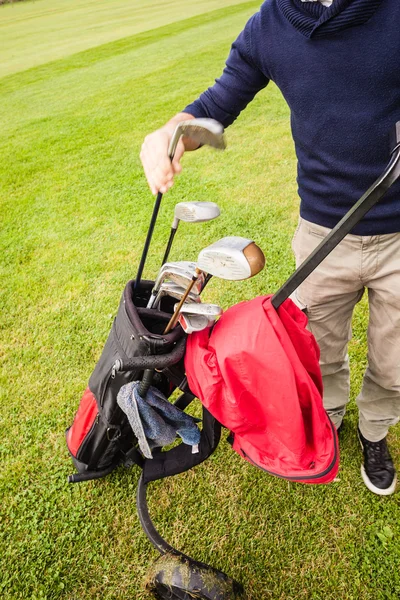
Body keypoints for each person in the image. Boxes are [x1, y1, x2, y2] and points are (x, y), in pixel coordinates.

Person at [140, 0, 400, 496]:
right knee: (319, 348)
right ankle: (331, 415)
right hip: (324, 235)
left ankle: (376, 432)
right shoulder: (270, 26)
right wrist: (169, 133)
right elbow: (216, 107)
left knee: (396, 360)